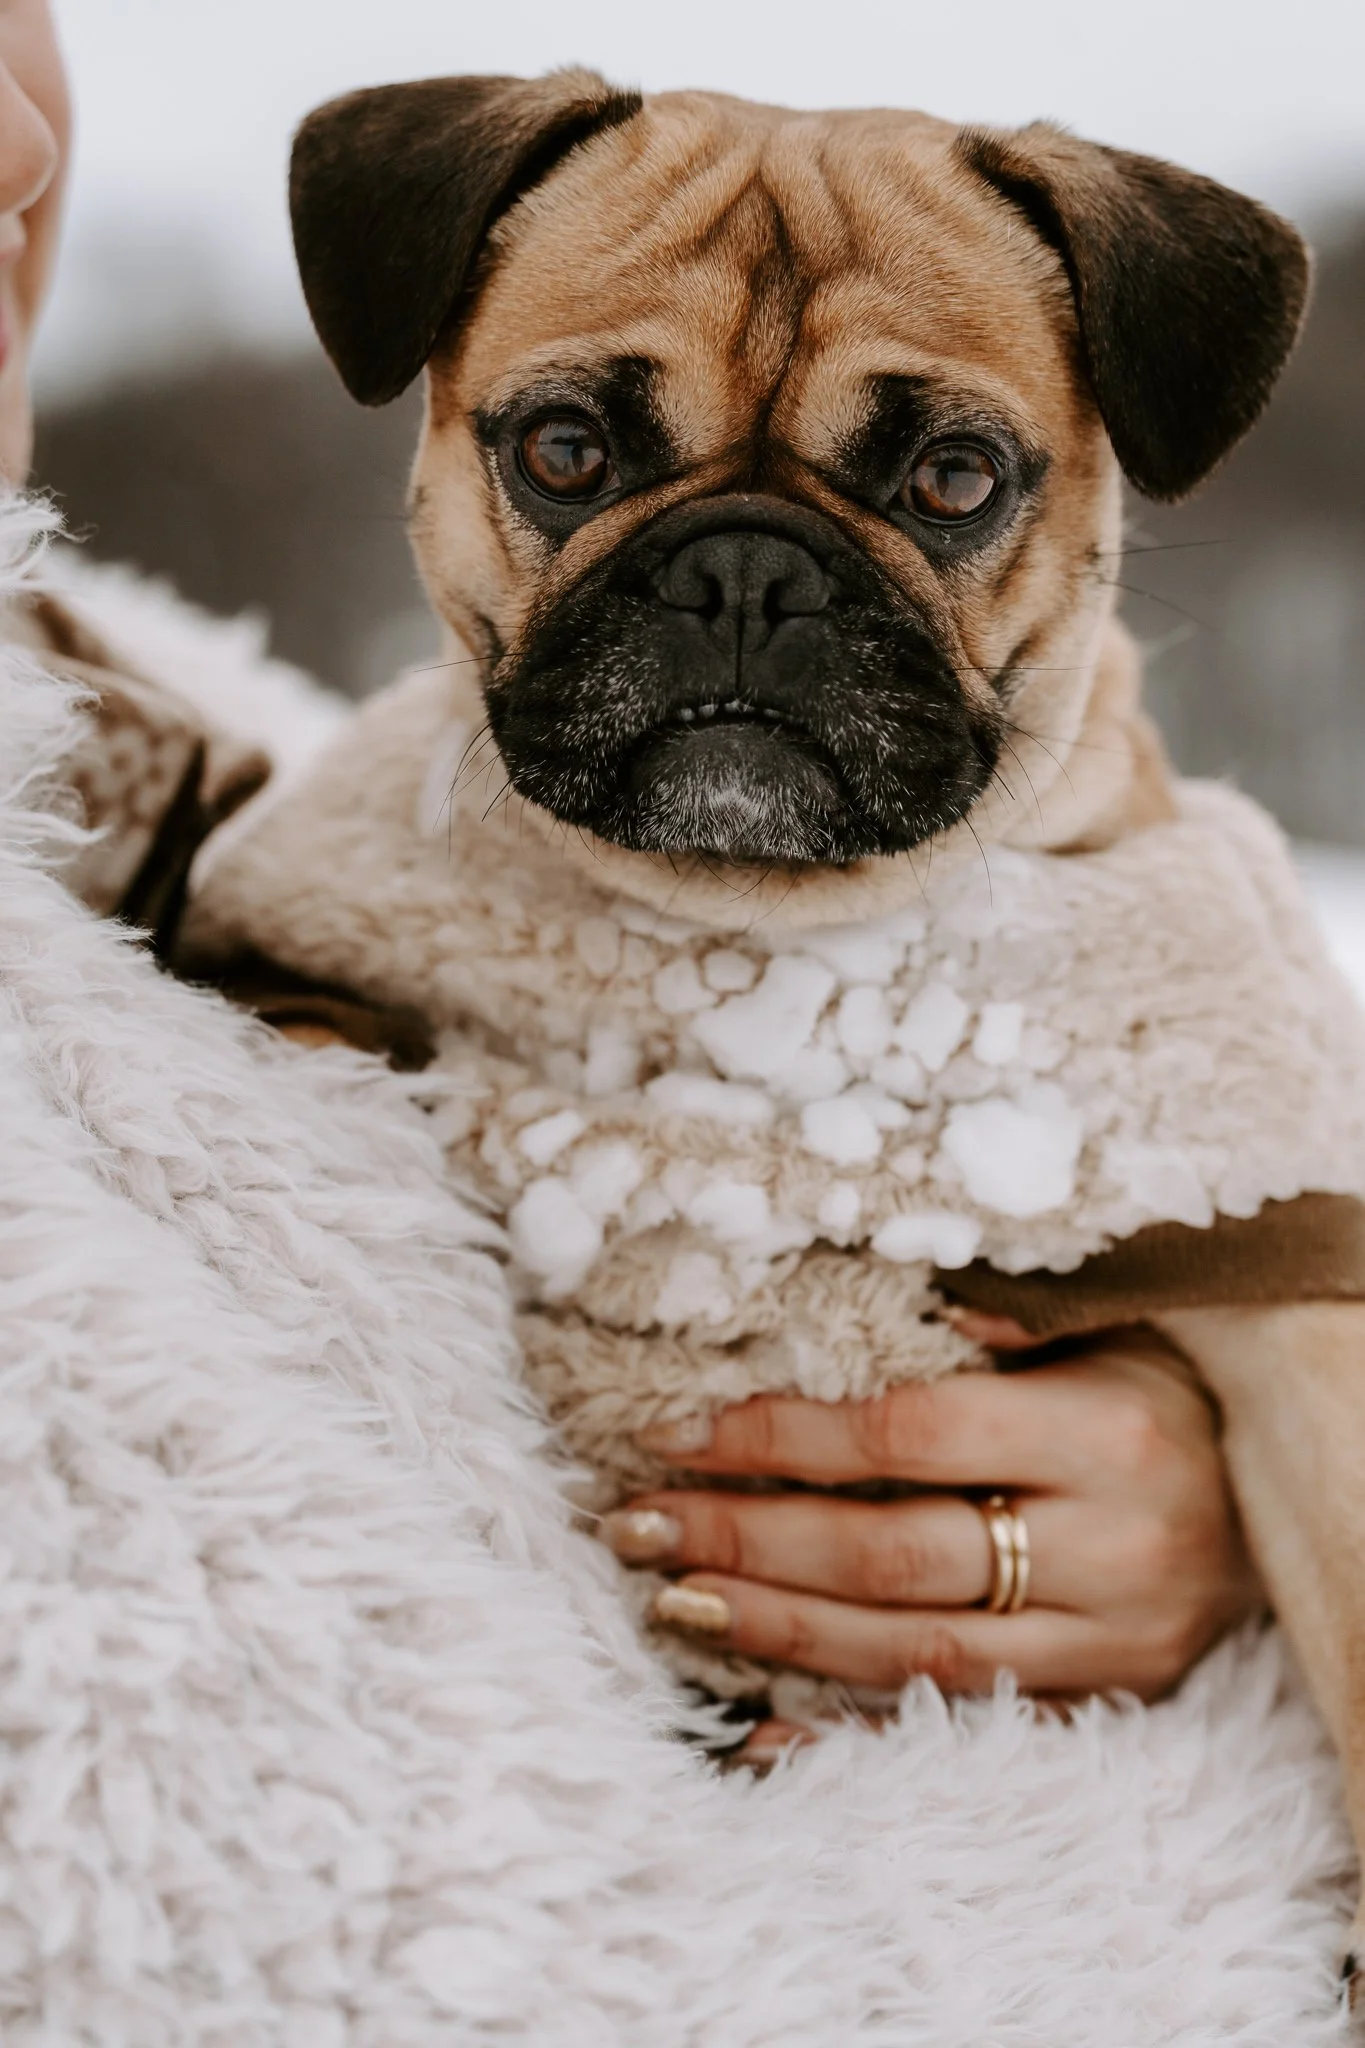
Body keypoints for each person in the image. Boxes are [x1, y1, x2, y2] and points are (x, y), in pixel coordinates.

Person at [0, 0, 1260, 1742]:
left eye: (946, 477)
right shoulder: (288, 900)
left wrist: (1256, 1476)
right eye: (577, 458)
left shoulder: (209, 779)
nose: (742, 598)